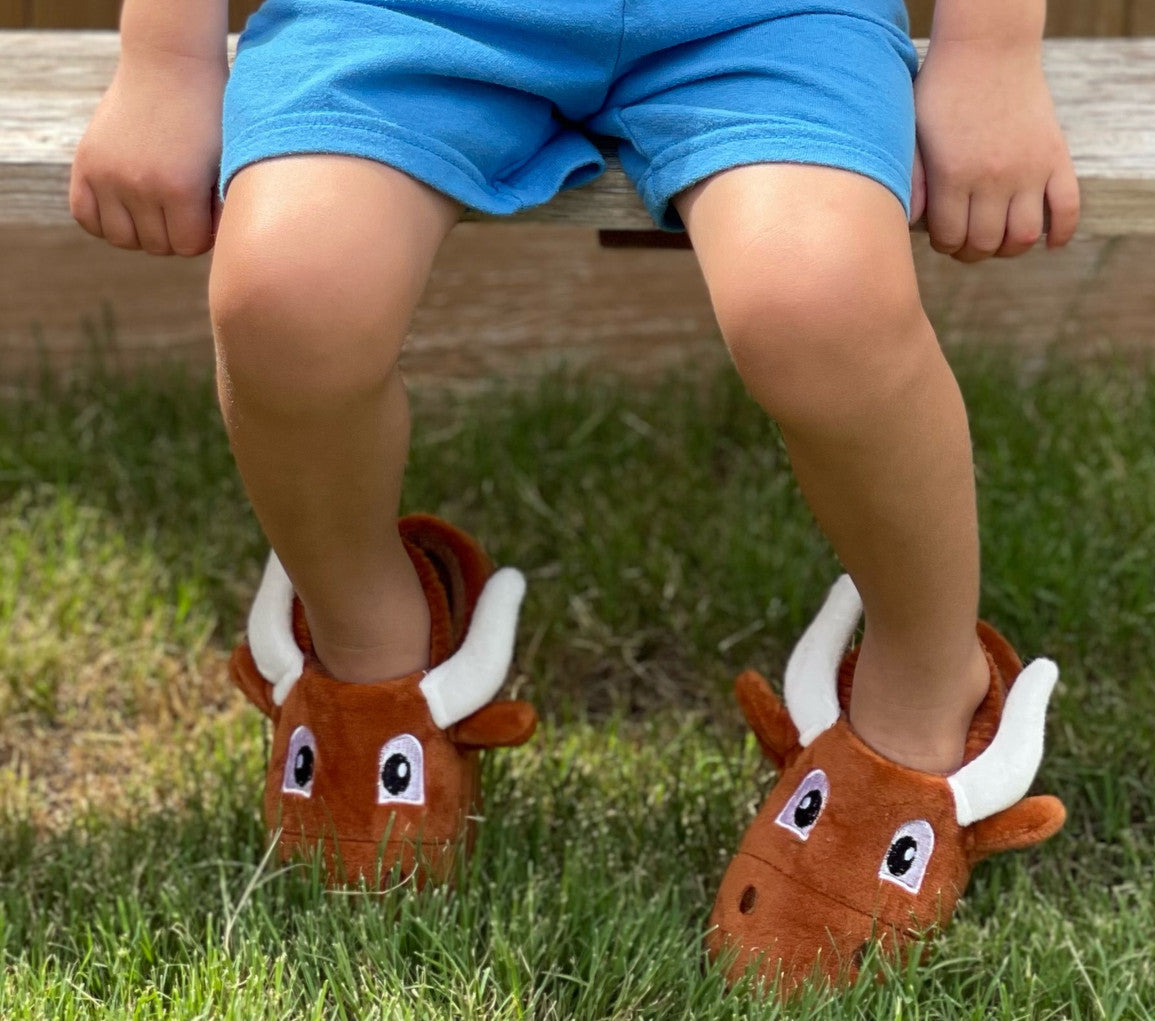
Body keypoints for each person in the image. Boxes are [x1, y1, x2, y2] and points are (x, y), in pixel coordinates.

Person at [70, 0, 1078, 988]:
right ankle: (365, 638)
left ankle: (921, 689)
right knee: (287, 295)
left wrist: (988, 47)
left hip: (766, 19)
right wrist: (167, 53)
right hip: (401, 15)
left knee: (815, 302)